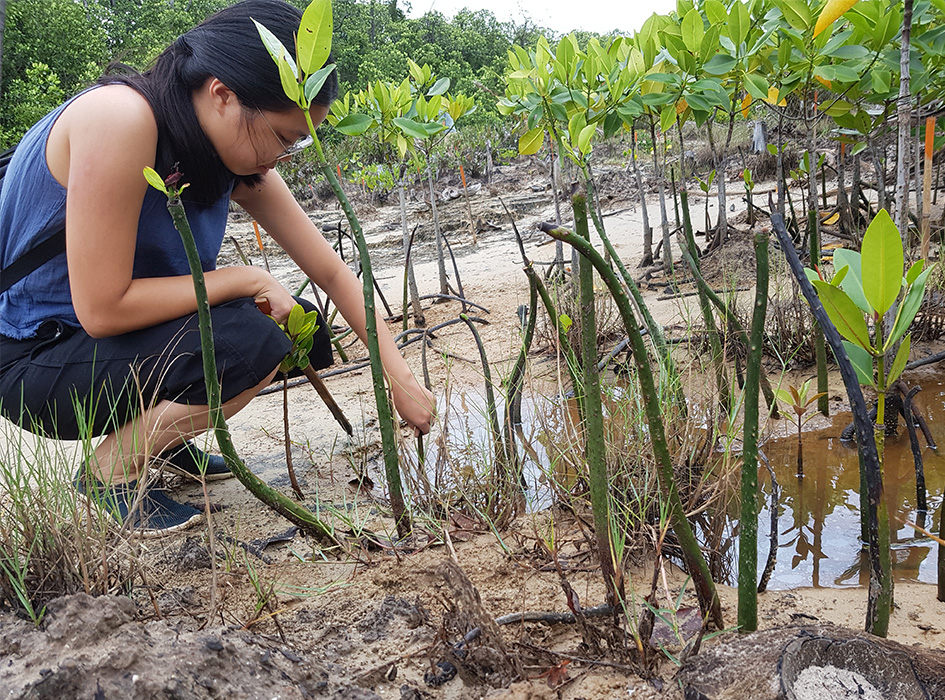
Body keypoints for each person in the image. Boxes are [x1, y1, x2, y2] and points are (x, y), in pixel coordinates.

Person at [0, 0, 436, 535]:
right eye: (283, 137)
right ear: (222, 94)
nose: (283, 156)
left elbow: (333, 273)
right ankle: (108, 473)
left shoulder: (228, 153)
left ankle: (164, 444)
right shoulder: (120, 119)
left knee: (298, 324)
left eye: (298, 143)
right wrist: (246, 278)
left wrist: (401, 382)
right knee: (250, 341)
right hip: (32, 360)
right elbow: (102, 309)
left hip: (101, 349)